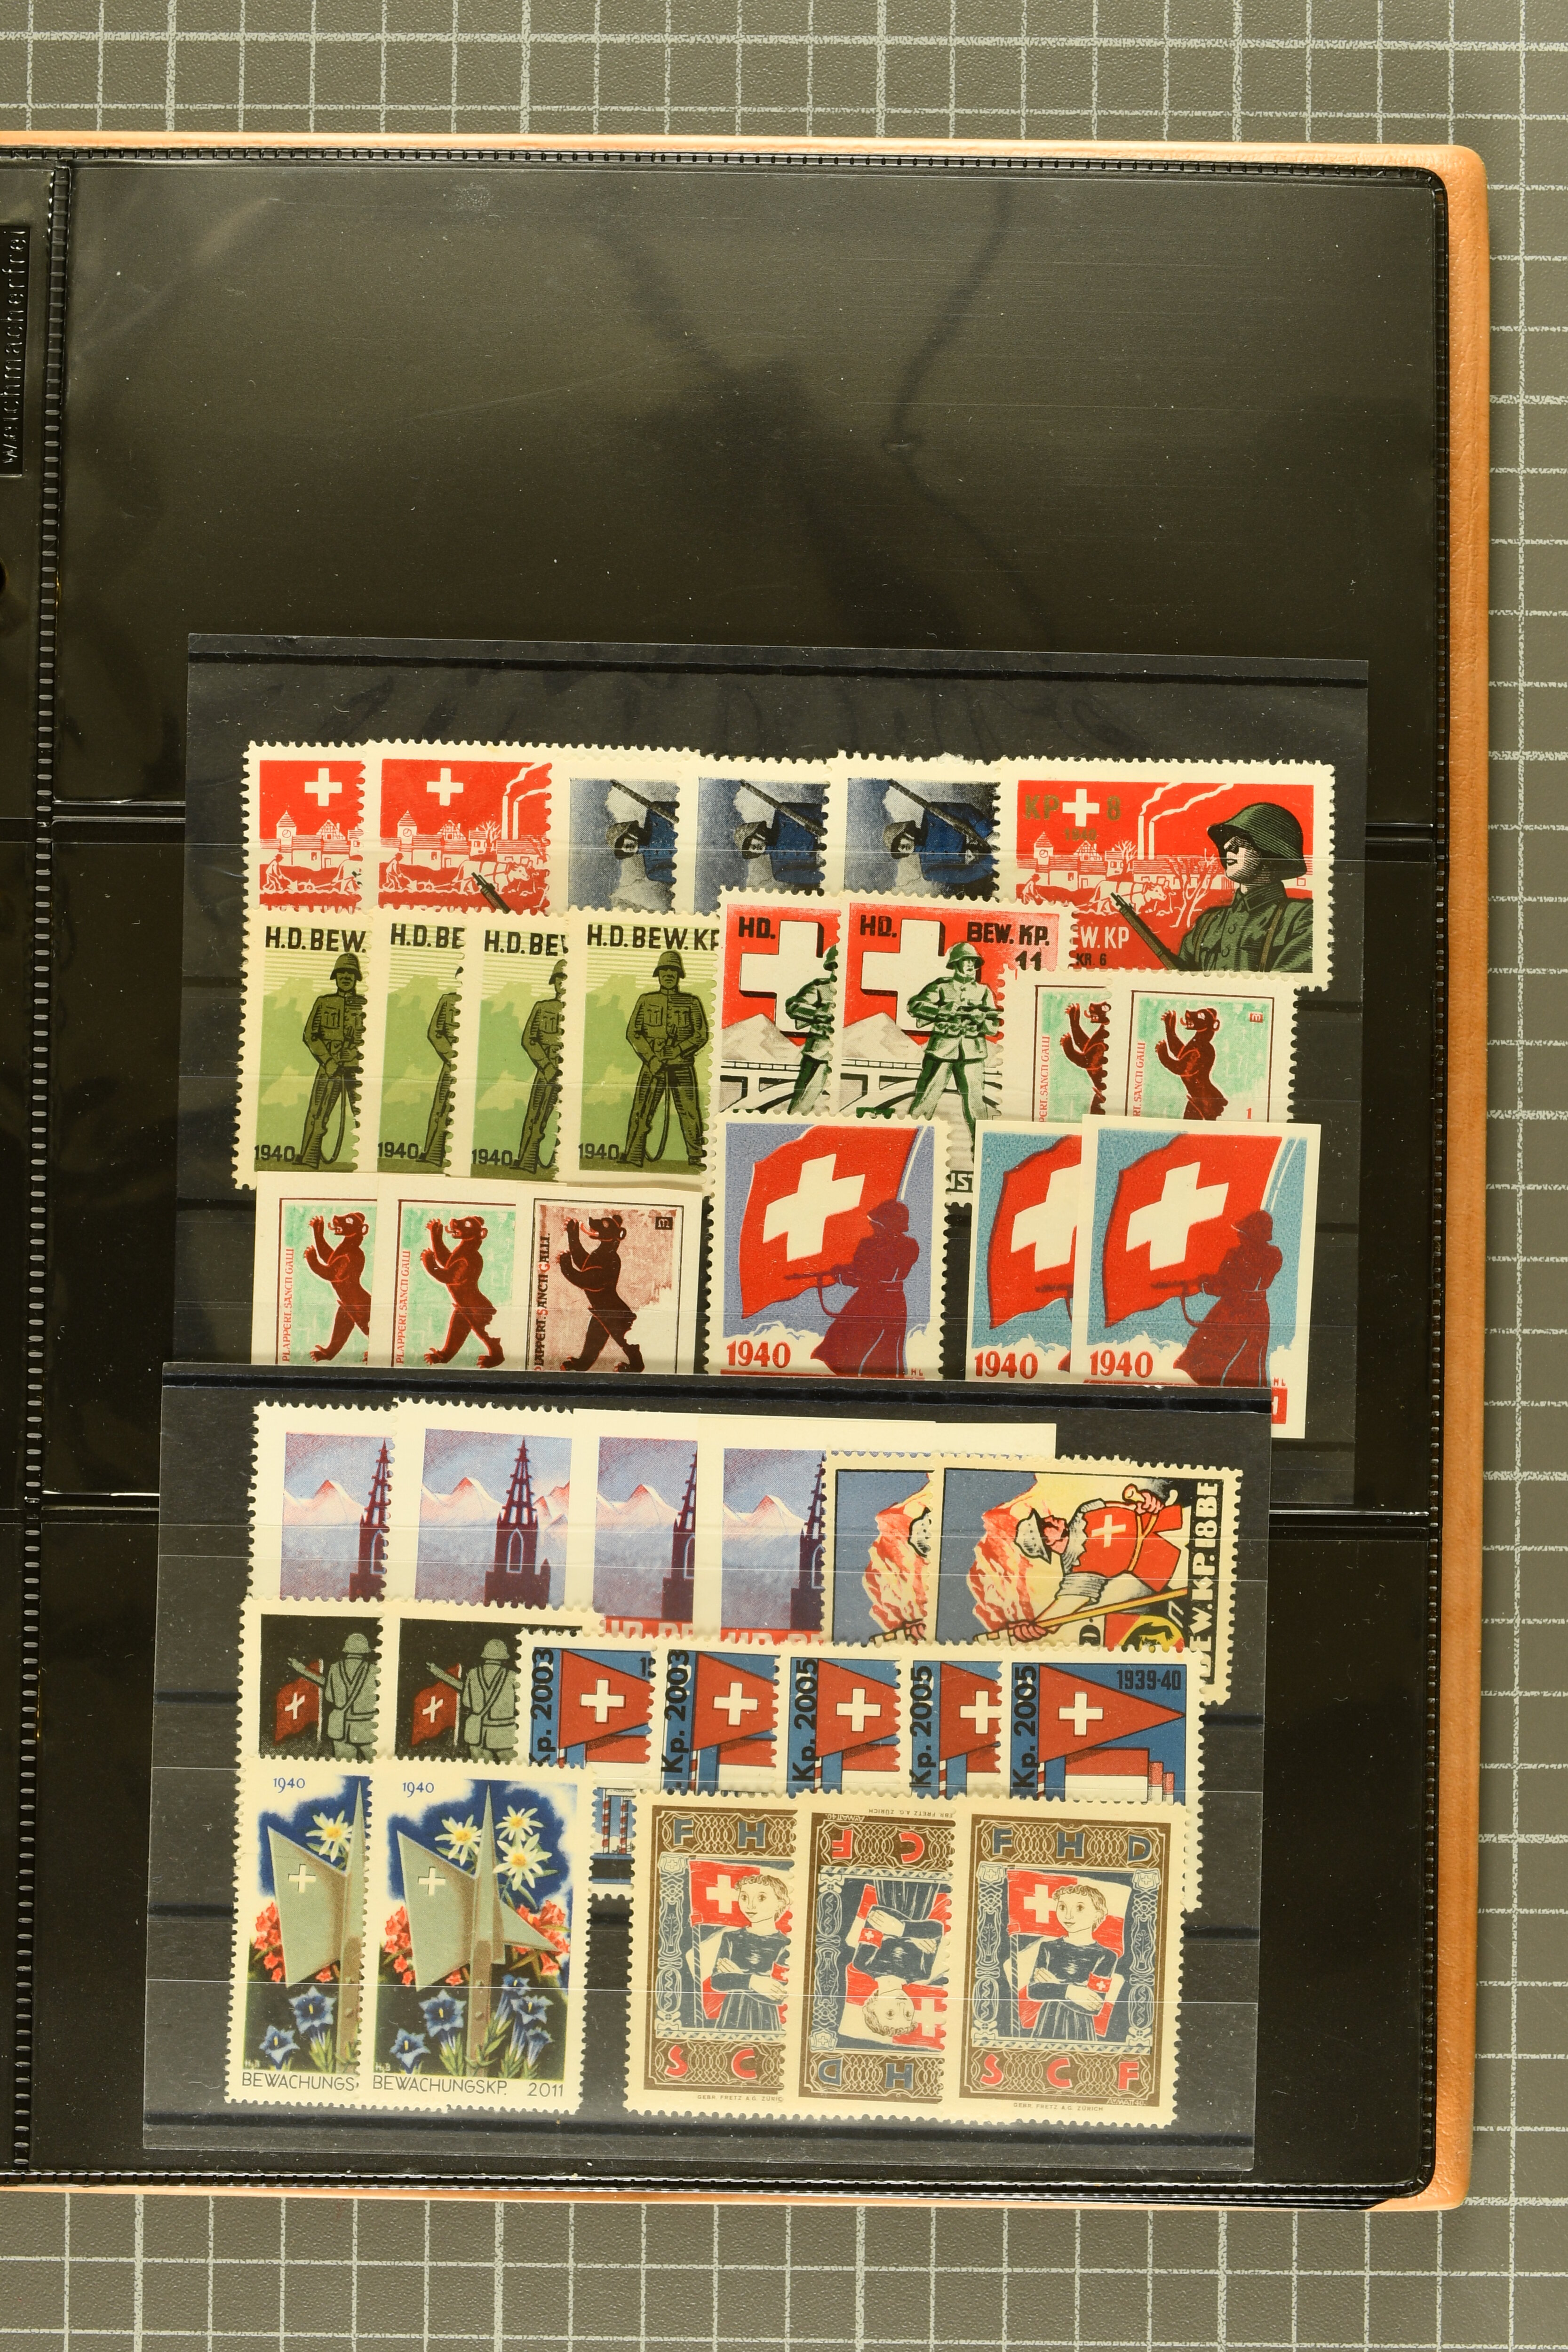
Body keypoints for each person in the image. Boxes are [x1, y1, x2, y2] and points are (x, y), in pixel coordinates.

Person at [1174, 803, 1313, 972]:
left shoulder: (1301, 918)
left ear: (1269, 853)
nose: (1227, 848)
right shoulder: (1208, 923)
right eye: (1226, 845)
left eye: (1239, 844)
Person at [1172, 1208, 1283, 1387]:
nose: (1239, 1236)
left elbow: (1225, 1285)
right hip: (1258, 1312)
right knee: (1249, 1359)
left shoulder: (1238, 1255)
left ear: (1252, 1235)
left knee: (1207, 1354)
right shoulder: (1274, 1255)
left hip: (1234, 1311)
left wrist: (1203, 1285)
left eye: (1243, 1233)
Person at [810, 1199, 921, 1377]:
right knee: (888, 1347)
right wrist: (844, 1271)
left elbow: (863, 1276)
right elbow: (871, 1270)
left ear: (885, 1224)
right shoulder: (911, 1246)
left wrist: (841, 1276)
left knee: (845, 1341)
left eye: (876, 1223)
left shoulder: (870, 1245)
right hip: (896, 1302)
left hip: (870, 1301)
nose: (873, 1226)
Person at [905, 940, 1000, 1144]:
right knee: (926, 1099)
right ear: (956, 963)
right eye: (967, 961)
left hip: (972, 1054)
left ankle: (983, 1146)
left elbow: (993, 1027)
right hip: (942, 1051)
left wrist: (980, 1020)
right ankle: (909, 1143)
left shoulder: (984, 992)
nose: (971, 965)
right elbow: (914, 1006)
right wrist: (941, 1011)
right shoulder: (941, 987)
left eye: (974, 961)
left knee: (976, 1104)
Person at [623, 949, 708, 1169]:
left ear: (679, 975)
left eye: (673, 971)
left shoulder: (691, 1002)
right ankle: (633, 1154)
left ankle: (696, 1156)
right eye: (664, 971)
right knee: (642, 1110)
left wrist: (679, 1050)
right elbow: (633, 1033)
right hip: (653, 1066)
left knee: (690, 1112)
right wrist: (651, 1057)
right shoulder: (646, 1000)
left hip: (682, 1067)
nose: (669, 975)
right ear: (658, 974)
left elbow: (701, 1035)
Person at [845, 1883, 947, 2042]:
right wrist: (905, 1932)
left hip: (889, 1894)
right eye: (908, 2014)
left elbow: (877, 1915)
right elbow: (937, 1929)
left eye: (890, 2013)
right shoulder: (921, 1973)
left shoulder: (863, 1963)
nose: (901, 2007)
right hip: (923, 1899)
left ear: (872, 2006)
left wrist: (905, 1931)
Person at [1019, 1880, 1117, 2042]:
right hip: (1048, 2019)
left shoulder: (1107, 1956)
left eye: (1080, 1908)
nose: (1068, 1916)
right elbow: (1034, 1990)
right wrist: (1071, 1991)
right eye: (1063, 1907)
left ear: (1097, 1915)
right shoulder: (1048, 1947)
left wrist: (1054, 1986)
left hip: (1080, 2024)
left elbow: (1094, 2006)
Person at [296, 952, 366, 1169]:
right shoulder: (324, 1003)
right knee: (318, 1113)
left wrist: (355, 1054)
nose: (346, 977)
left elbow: (376, 1037)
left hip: (358, 1069)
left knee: (366, 1114)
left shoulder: (366, 1004)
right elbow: (310, 1035)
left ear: (356, 977)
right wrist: (328, 1060)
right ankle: (309, 1158)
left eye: (350, 974)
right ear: (335, 976)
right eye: (341, 973)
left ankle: (368, 1163)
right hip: (330, 1068)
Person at [557, 1211, 645, 1372]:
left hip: (614, 1312)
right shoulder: (602, 1254)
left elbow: (588, 1282)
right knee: (594, 1340)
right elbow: (583, 1262)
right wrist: (573, 1235)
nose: (596, 1225)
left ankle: (637, 1366)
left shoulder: (612, 1259)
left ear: (614, 1236)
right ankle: (583, 1365)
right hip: (602, 1309)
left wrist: (566, 1267)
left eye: (604, 1227)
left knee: (626, 1342)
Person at [706, 1872, 791, 2034]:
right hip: (732, 2011)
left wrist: (738, 1976)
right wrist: (753, 1981)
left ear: (779, 1904)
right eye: (744, 1897)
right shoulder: (731, 1938)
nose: (750, 1906)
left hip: (765, 2015)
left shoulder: (784, 1944)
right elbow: (718, 1981)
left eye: (761, 1898)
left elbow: (779, 1995)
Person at [421, 1214, 505, 1367]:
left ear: (479, 1234)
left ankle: (497, 1358)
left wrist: (430, 1264)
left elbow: (450, 1277)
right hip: (465, 1306)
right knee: (458, 1332)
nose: (456, 1223)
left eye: (466, 1225)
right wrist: (436, 1237)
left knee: (486, 1335)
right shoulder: (464, 1251)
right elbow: (447, 1261)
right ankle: (444, 1356)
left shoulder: (471, 1257)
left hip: (477, 1308)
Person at [288, 1630, 378, 1761]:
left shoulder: (336, 1669)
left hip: (340, 1728)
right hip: (365, 1728)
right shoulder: (373, 1670)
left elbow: (330, 1696)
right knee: (378, 1767)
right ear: (365, 1650)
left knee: (346, 1768)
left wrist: (302, 1670)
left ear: (347, 1649)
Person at [302, 1209, 371, 1361]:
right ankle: (330, 1353)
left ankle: (380, 1351)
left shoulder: (353, 1255)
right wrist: (318, 1234)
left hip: (359, 1305)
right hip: (349, 1303)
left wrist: (313, 1262)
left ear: (359, 1230)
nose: (338, 1219)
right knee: (343, 1324)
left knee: (371, 1331)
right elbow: (330, 1258)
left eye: (348, 1221)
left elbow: (332, 1274)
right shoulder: (347, 1249)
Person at [517, 961, 565, 1175]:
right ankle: (527, 1160)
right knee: (536, 1115)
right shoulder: (542, 1007)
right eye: (559, 978)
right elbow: (529, 1039)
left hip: (569, 1071)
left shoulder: (581, 1010)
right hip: (547, 1070)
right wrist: (546, 1065)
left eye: (566, 978)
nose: (562, 983)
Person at [784, 944, 837, 1113]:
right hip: (819, 1055)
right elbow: (794, 1007)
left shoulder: (855, 993)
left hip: (848, 1055)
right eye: (836, 966)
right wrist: (819, 1014)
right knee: (802, 1104)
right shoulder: (821, 988)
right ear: (832, 967)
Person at [1155, 1005, 1227, 1119]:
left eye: (1200, 1017)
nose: (1190, 1015)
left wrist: (1164, 1055)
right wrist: (1170, 1028)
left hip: (1206, 1104)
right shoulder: (1197, 1044)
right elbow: (1180, 1053)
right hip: (1198, 1101)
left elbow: (1182, 1069)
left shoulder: (1204, 1049)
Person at [460, 1637, 518, 1761]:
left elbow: (467, 1702)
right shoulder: (512, 1676)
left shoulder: (473, 1674)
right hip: (503, 1732)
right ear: (503, 1656)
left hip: (478, 1733)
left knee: (481, 1768)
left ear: (485, 1655)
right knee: (510, 1767)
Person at [419, 987, 460, 1167]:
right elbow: (435, 1032)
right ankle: (433, 1154)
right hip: (452, 1063)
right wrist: (452, 1056)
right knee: (442, 1107)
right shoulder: (448, 1001)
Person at [1061, 1000, 1111, 1115]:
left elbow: (1085, 1061)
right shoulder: (1100, 1038)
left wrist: (1068, 1047)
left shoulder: (1101, 1041)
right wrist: (1074, 1017)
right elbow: (1081, 1043)